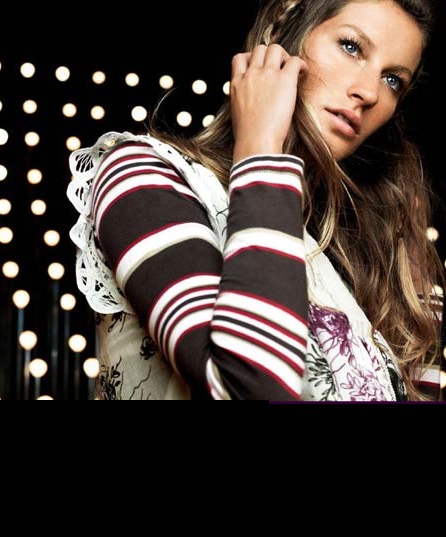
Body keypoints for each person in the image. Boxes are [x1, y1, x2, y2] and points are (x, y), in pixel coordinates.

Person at [68, 0, 443, 400]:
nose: (368, 92)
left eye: (392, 80)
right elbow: (250, 387)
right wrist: (262, 145)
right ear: (280, 29)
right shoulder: (145, 174)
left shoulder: (359, 251)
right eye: (351, 46)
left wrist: (414, 286)